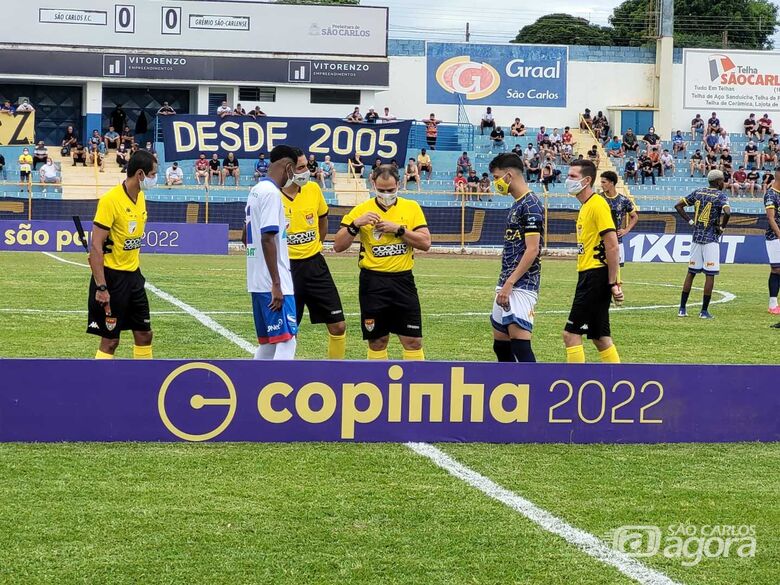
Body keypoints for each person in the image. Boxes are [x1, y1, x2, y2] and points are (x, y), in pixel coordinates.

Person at [333, 164, 431, 360]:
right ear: (372, 184)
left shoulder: (411, 208)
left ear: (399, 184)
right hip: (373, 283)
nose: (386, 194)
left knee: (412, 341)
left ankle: (414, 386)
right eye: (381, 190)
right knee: (377, 341)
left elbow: (425, 242)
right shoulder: (361, 210)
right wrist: (355, 225)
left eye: (391, 190)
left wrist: (399, 230)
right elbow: (338, 246)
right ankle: (377, 387)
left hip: (403, 282)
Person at [86, 150, 157, 359]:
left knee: (145, 334)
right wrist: (101, 287)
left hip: (134, 276)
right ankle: (99, 388)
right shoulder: (110, 200)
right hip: (111, 278)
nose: (155, 178)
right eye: (153, 174)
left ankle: (143, 385)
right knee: (110, 340)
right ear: (141, 174)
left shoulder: (141, 197)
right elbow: (96, 247)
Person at [281, 148, 347, 358]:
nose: (306, 171)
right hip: (287, 269)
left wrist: (317, 243)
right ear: (288, 170)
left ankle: (336, 376)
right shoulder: (272, 194)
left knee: (338, 325)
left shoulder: (313, 189)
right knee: (290, 331)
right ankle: (284, 378)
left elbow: (323, 219)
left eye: (307, 167)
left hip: (315, 265)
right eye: (301, 168)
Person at [562, 160, 623, 363]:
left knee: (570, 334)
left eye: (572, 176)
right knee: (600, 337)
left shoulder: (597, 205)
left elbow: (612, 245)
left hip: (594, 276)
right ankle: (618, 381)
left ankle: (575, 386)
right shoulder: (586, 206)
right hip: (590, 275)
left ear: (586, 180)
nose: (567, 180)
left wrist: (613, 282)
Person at [486, 153, 543, 362]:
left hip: (521, 284)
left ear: (509, 175)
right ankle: (508, 391)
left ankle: (535, 391)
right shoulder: (516, 204)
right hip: (506, 282)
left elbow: (532, 249)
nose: (495, 183)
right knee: (501, 345)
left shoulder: (531, 205)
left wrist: (510, 283)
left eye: (496, 177)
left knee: (520, 346)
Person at [243, 145, 299, 360]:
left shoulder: (255, 190)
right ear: (288, 168)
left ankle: (255, 388)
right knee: (287, 340)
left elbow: (247, 235)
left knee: (269, 344)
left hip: (257, 280)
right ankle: (277, 390)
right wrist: (277, 284)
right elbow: (267, 238)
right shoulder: (272, 194)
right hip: (273, 281)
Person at [674, 170, 731, 319]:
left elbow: (678, 206)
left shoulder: (698, 192)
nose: (724, 183)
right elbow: (728, 212)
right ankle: (704, 311)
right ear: (718, 182)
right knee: (710, 275)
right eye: (723, 180)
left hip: (696, 237)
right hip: (710, 238)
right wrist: (722, 228)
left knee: (691, 272)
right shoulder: (720, 196)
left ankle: (682, 309)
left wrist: (691, 221)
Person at [600, 171, 638, 268]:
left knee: (616, 271)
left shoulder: (623, 200)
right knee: (599, 271)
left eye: (604, 182)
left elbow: (634, 216)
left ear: (612, 183)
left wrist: (626, 230)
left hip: (617, 240)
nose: (601, 185)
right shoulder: (598, 198)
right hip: (600, 240)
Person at [763, 171, 780, 314]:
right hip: (774, 237)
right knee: (777, 269)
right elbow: (771, 218)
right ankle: (773, 304)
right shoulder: (771, 194)